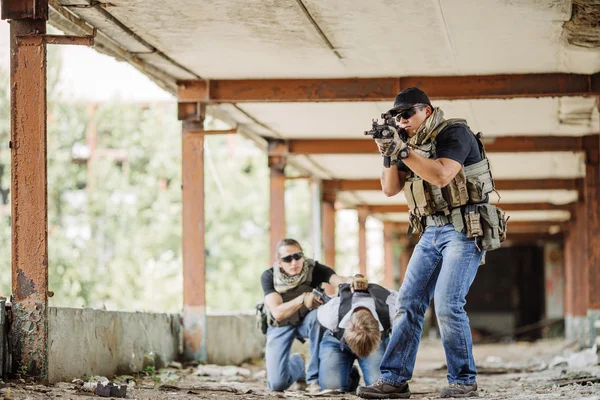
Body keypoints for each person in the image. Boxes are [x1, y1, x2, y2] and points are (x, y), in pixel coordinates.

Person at [357, 87, 505, 399]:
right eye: (397, 116)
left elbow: (441, 176)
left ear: (426, 109)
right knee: (408, 303)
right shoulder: (406, 143)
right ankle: (394, 380)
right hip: (431, 231)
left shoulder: (455, 133)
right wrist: (387, 151)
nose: (402, 120)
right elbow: (389, 189)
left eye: (407, 113)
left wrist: (401, 151)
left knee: (448, 304)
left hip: (464, 228)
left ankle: (463, 381)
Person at [261, 238, 368, 393]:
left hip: (308, 321)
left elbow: (340, 280)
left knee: (320, 317)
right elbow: (277, 313)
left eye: (297, 256)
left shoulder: (314, 269)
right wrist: (303, 299)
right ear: (278, 262)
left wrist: (354, 280)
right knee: (277, 385)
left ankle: (315, 379)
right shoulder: (269, 276)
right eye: (287, 259)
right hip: (281, 324)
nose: (294, 262)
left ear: (303, 256)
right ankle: (298, 363)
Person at [316, 283, 396, 393]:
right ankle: (351, 376)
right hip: (336, 341)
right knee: (331, 387)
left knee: (379, 385)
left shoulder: (392, 310)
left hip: (374, 344)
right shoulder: (331, 313)